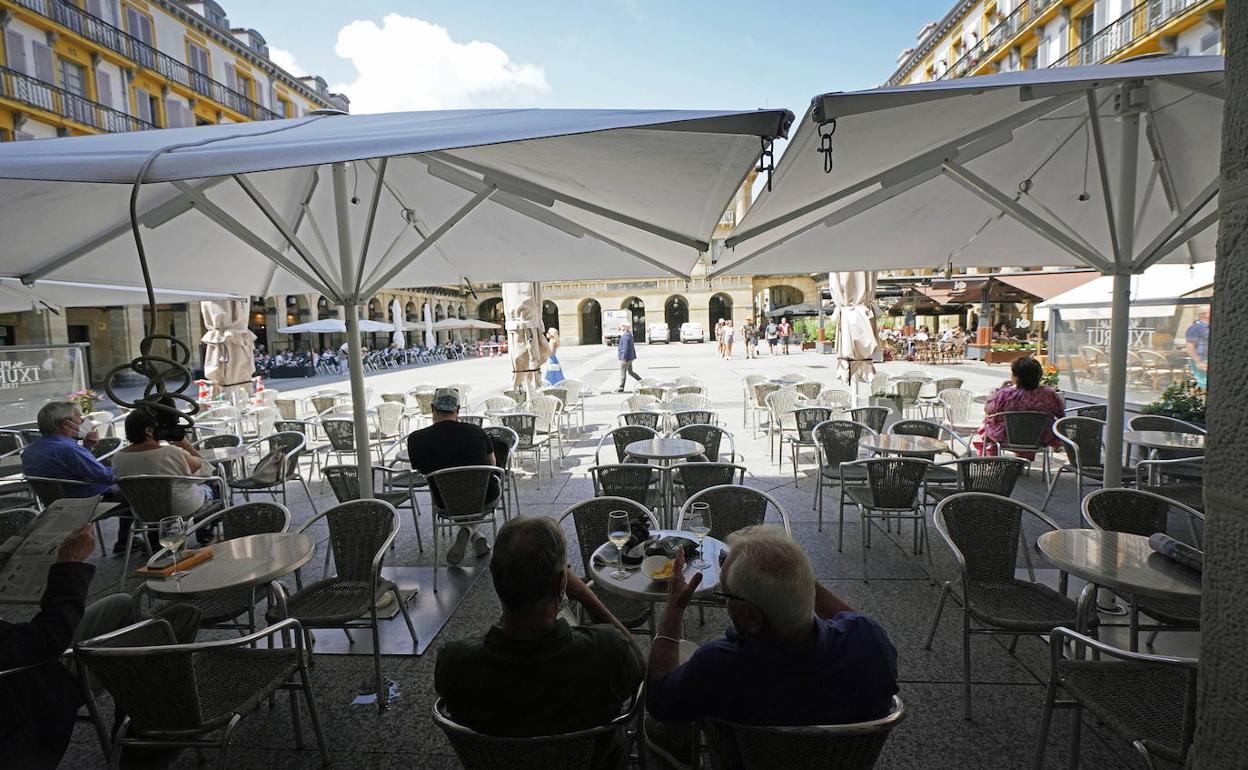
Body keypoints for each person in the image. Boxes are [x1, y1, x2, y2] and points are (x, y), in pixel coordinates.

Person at [645, 527, 898, 767]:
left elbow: (658, 701)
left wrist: (675, 608)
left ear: (751, 618)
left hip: (745, 760)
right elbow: (853, 622)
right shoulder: (870, 641)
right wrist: (795, 575)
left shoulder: (717, 667)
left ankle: (673, 742)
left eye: (726, 595)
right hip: (841, 760)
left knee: (684, 652)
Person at [435, 517, 643, 767]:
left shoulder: (455, 663)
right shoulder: (608, 651)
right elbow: (640, 667)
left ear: (496, 580)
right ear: (560, 584)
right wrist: (584, 593)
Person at [0, 526, 202, 769]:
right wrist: (70, 563)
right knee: (175, 621)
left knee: (121, 605)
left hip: (25, 653)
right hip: (34, 687)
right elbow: (45, 641)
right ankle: (145, 745)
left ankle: (140, 722)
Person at [406, 388, 510, 564]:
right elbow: (491, 464)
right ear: (458, 409)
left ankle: (471, 532)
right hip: (484, 498)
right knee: (482, 491)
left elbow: (421, 470)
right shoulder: (476, 432)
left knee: (458, 501)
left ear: (432, 408)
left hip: (445, 502)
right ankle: (471, 530)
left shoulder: (416, 440)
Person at [21, 402, 133, 554]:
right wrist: (129, 470)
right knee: (139, 491)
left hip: (58, 503)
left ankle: (125, 543)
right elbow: (103, 476)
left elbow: (69, 469)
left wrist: (86, 447)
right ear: (67, 424)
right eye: (80, 418)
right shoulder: (69, 449)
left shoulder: (30, 450)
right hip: (89, 502)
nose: (83, 422)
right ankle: (133, 542)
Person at [110, 408, 215, 522]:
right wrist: (187, 446)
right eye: (161, 427)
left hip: (144, 512)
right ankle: (206, 536)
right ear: (149, 431)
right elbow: (206, 472)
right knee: (214, 486)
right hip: (180, 510)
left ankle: (156, 536)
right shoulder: (172, 453)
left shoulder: (117, 457)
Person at [977, 356, 1065, 457]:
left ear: (1016, 376)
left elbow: (989, 410)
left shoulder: (1005, 394)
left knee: (988, 423)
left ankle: (992, 459)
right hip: (1039, 438)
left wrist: (1000, 390)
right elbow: (1060, 414)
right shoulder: (1049, 394)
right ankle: (1022, 458)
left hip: (1007, 437)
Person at [1185, 306, 1210, 387]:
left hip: (1208, 359)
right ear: (1204, 314)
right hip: (1202, 360)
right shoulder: (1195, 328)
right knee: (1204, 384)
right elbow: (1190, 346)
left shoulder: (1209, 328)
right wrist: (1198, 362)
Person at [617, 324, 641, 393]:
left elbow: (625, 348)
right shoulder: (629, 334)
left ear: (624, 327)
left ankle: (621, 387)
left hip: (626, 358)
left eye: (622, 326)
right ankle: (642, 381)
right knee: (630, 372)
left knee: (623, 371)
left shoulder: (625, 336)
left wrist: (624, 359)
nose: (620, 328)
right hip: (630, 357)